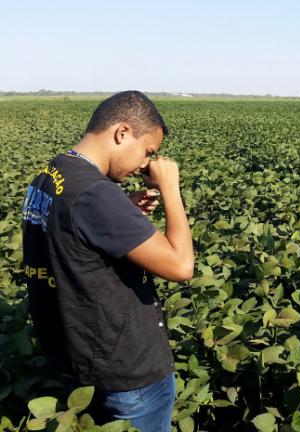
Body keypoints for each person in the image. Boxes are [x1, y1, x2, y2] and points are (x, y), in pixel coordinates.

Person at [21, 91, 194, 432]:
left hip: (80, 360)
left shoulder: (52, 173)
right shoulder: (96, 195)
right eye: (147, 152)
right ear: (122, 133)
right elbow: (181, 266)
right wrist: (171, 189)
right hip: (128, 374)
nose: (145, 164)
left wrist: (123, 209)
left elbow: (72, 233)